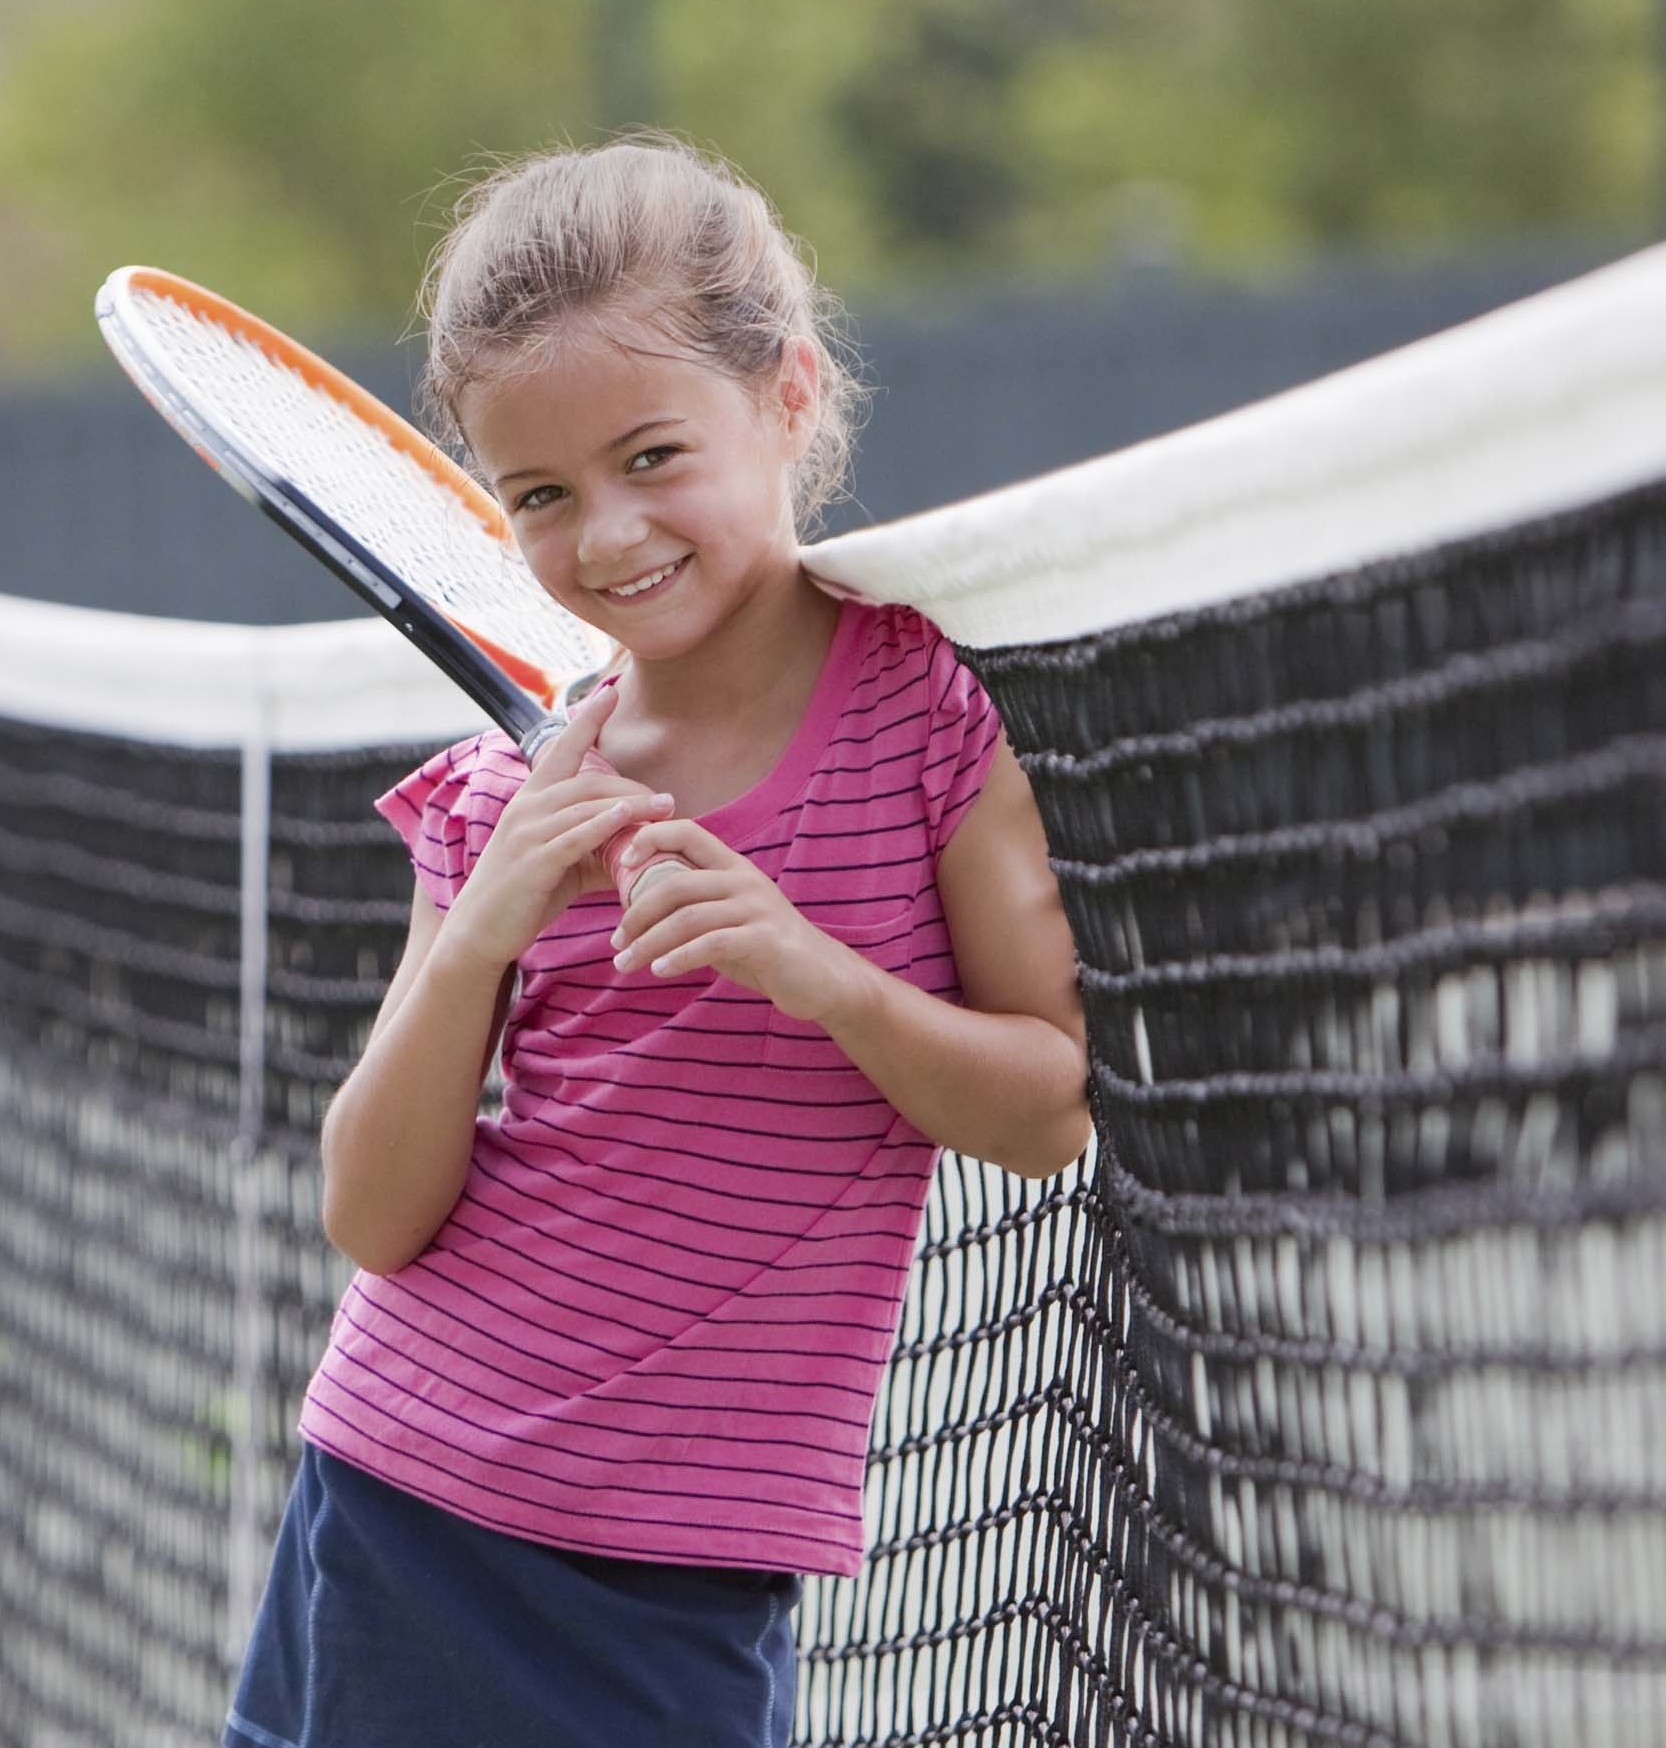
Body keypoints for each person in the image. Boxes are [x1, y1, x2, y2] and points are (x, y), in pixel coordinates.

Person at [223, 135, 1091, 1748]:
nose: (606, 534)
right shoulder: (503, 790)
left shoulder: (928, 716)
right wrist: (481, 929)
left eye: (649, 455)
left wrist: (816, 969)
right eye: (541, 496)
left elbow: (1046, 1106)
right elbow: (373, 1209)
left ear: (786, 394)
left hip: (687, 1570)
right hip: (409, 1500)